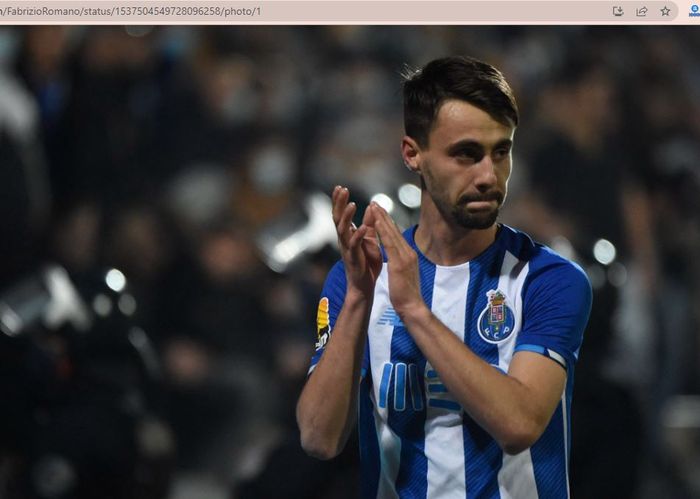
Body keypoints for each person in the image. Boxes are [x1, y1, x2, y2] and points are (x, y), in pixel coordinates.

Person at [296, 56, 592, 498]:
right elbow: (319, 438)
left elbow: (519, 424)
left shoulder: (548, 279)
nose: (489, 176)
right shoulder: (358, 278)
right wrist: (359, 296)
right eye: (466, 154)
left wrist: (414, 310)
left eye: (501, 151)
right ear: (412, 154)